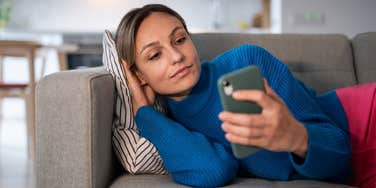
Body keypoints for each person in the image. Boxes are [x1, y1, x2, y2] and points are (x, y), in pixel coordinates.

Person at [114, 4, 354, 187]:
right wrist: (145, 115)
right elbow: (214, 170)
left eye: (179, 39)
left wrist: (296, 137)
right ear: (138, 75)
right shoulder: (170, 124)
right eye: (155, 55)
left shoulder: (247, 61)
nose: (177, 56)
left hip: (360, 122)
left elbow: (342, 149)